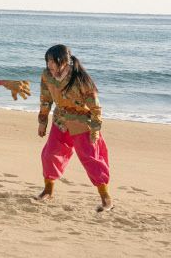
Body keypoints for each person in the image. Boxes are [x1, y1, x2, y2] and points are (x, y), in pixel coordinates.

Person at [36, 44, 113, 212]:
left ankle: (105, 198)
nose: (49, 65)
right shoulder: (47, 75)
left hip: (82, 123)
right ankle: (48, 190)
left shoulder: (80, 78)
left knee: (91, 159)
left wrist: (95, 130)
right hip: (60, 121)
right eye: (48, 61)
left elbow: (95, 107)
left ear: (64, 61)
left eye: (53, 61)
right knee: (49, 154)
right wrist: (42, 122)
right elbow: (45, 99)